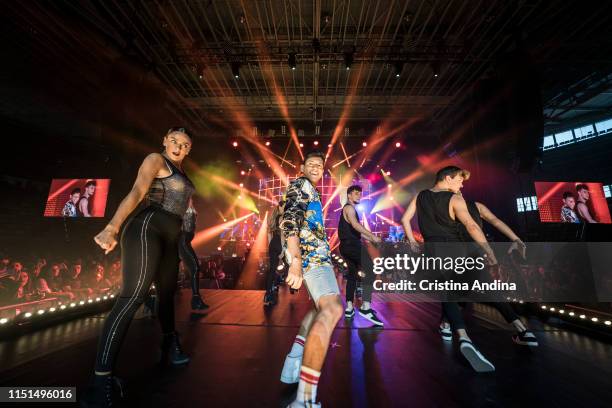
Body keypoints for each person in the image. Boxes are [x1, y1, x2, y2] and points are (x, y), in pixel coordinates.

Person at [81, 127, 195, 408]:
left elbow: (183, 208)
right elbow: (136, 192)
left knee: (167, 293)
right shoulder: (156, 159)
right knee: (133, 297)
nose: (180, 147)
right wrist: (112, 227)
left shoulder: (185, 175)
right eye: (175, 141)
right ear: (165, 141)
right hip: (147, 227)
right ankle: (99, 381)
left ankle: (170, 342)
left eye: (185, 145)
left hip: (172, 237)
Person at [401, 166, 497, 372]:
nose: (462, 185)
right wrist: (488, 250)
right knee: (460, 290)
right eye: (459, 180)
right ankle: (461, 335)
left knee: (448, 292)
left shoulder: (420, 196)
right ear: (448, 178)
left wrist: (411, 241)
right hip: (454, 248)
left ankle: (459, 334)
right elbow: (471, 225)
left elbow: (404, 219)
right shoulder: (456, 199)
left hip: (431, 249)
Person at [279, 150, 343, 408]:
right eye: (311, 163)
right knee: (332, 309)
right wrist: (294, 261)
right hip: (311, 258)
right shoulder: (301, 184)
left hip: (315, 257)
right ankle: (304, 399)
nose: (316, 166)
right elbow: (289, 220)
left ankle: (293, 360)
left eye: (320, 164)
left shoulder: (309, 188)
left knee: (319, 309)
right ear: (302, 167)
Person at [448, 197, 538, 347]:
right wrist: (515, 238)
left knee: (452, 293)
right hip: (475, 255)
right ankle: (524, 331)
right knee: (490, 293)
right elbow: (495, 221)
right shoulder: (476, 205)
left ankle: (448, 327)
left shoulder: (447, 206)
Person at [338, 185, 383, 326]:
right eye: (356, 193)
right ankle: (365, 307)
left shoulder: (348, 209)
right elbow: (356, 225)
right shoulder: (349, 208)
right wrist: (372, 235)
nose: (359, 196)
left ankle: (349, 307)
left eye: (360, 194)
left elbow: (357, 231)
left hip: (346, 246)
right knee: (370, 270)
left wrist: (371, 239)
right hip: (352, 245)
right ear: (349, 195)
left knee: (352, 275)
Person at [179, 199, 208, 310]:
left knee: (195, 268)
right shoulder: (181, 207)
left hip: (185, 241)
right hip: (183, 240)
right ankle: (196, 300)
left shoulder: (190, 206)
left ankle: (196, 300)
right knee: (195, 268)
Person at [264, 200, 284, 306]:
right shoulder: (282, 218)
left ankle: (268, 294)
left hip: (272, 244)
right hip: (280, 244)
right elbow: (283, 236)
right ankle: (281, 282)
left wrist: (270, 246)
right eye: (284, 207)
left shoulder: (272, 218)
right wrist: (283, 250)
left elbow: (269, 234)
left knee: (272, 270)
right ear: (281, 208)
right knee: (290, 265)